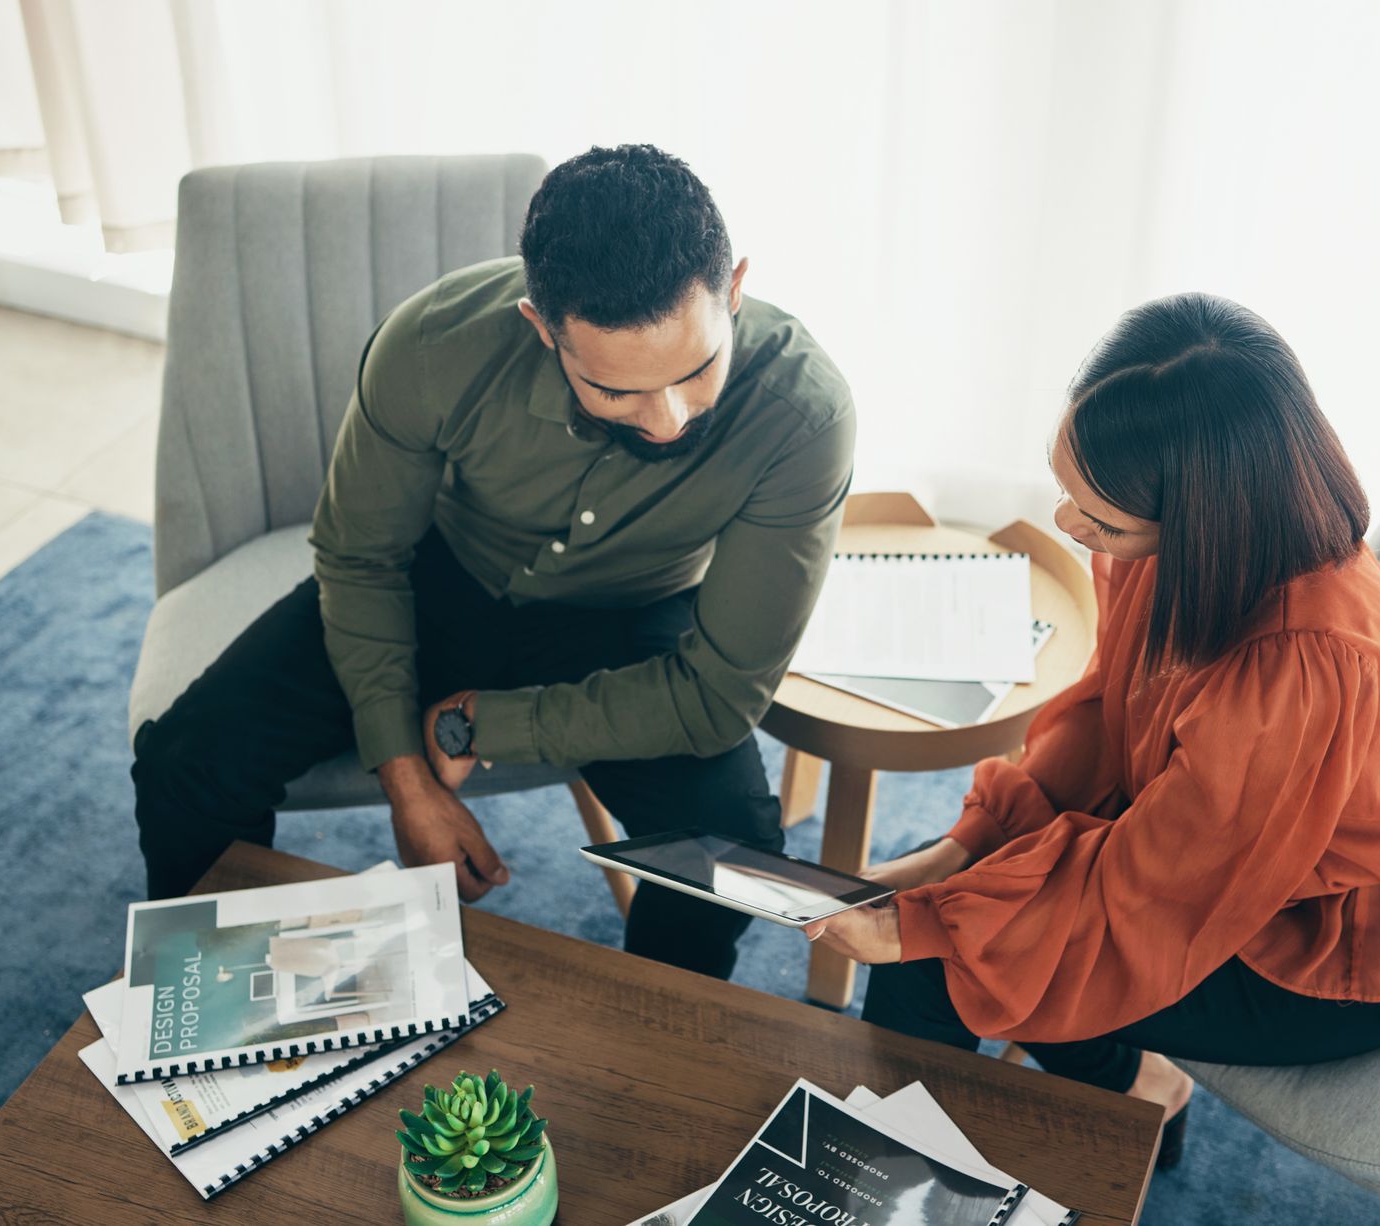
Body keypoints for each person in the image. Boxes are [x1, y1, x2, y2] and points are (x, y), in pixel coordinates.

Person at [805, 292, 1380, 1168]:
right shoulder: (1197, 545)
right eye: (1067, 489)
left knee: (943, 963)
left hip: (1333, 940)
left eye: (1100, 520)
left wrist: (936, 925)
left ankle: (886, 1186)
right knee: (977, 902)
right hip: (1213, 849)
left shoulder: (1302, 661)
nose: (1070, 527)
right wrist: (969, 846)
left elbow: (1166, 884)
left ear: (1203, 515)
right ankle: (1134, 1088)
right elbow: (1105, 714)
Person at [133, 144, 856, 982]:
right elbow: (361, 556)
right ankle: (206, 1012)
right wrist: (408, 782)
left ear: (732, 290)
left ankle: (654, 1047)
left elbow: (721, 698)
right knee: (184, 762)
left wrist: (481, 723)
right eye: (617, 392)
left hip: (633, 612)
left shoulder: (803, 415)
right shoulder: (435, 342)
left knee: (732, 845)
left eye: (696, 372)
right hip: (442, 575)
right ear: (541, 329)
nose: (666, 421)